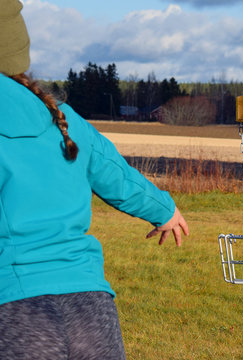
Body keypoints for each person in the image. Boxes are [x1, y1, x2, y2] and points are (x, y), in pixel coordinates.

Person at [0, 1, 189, 359]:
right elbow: (115, 174)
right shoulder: (60, 115)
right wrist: (165, 210)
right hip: (91, 305)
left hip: (16, 309)